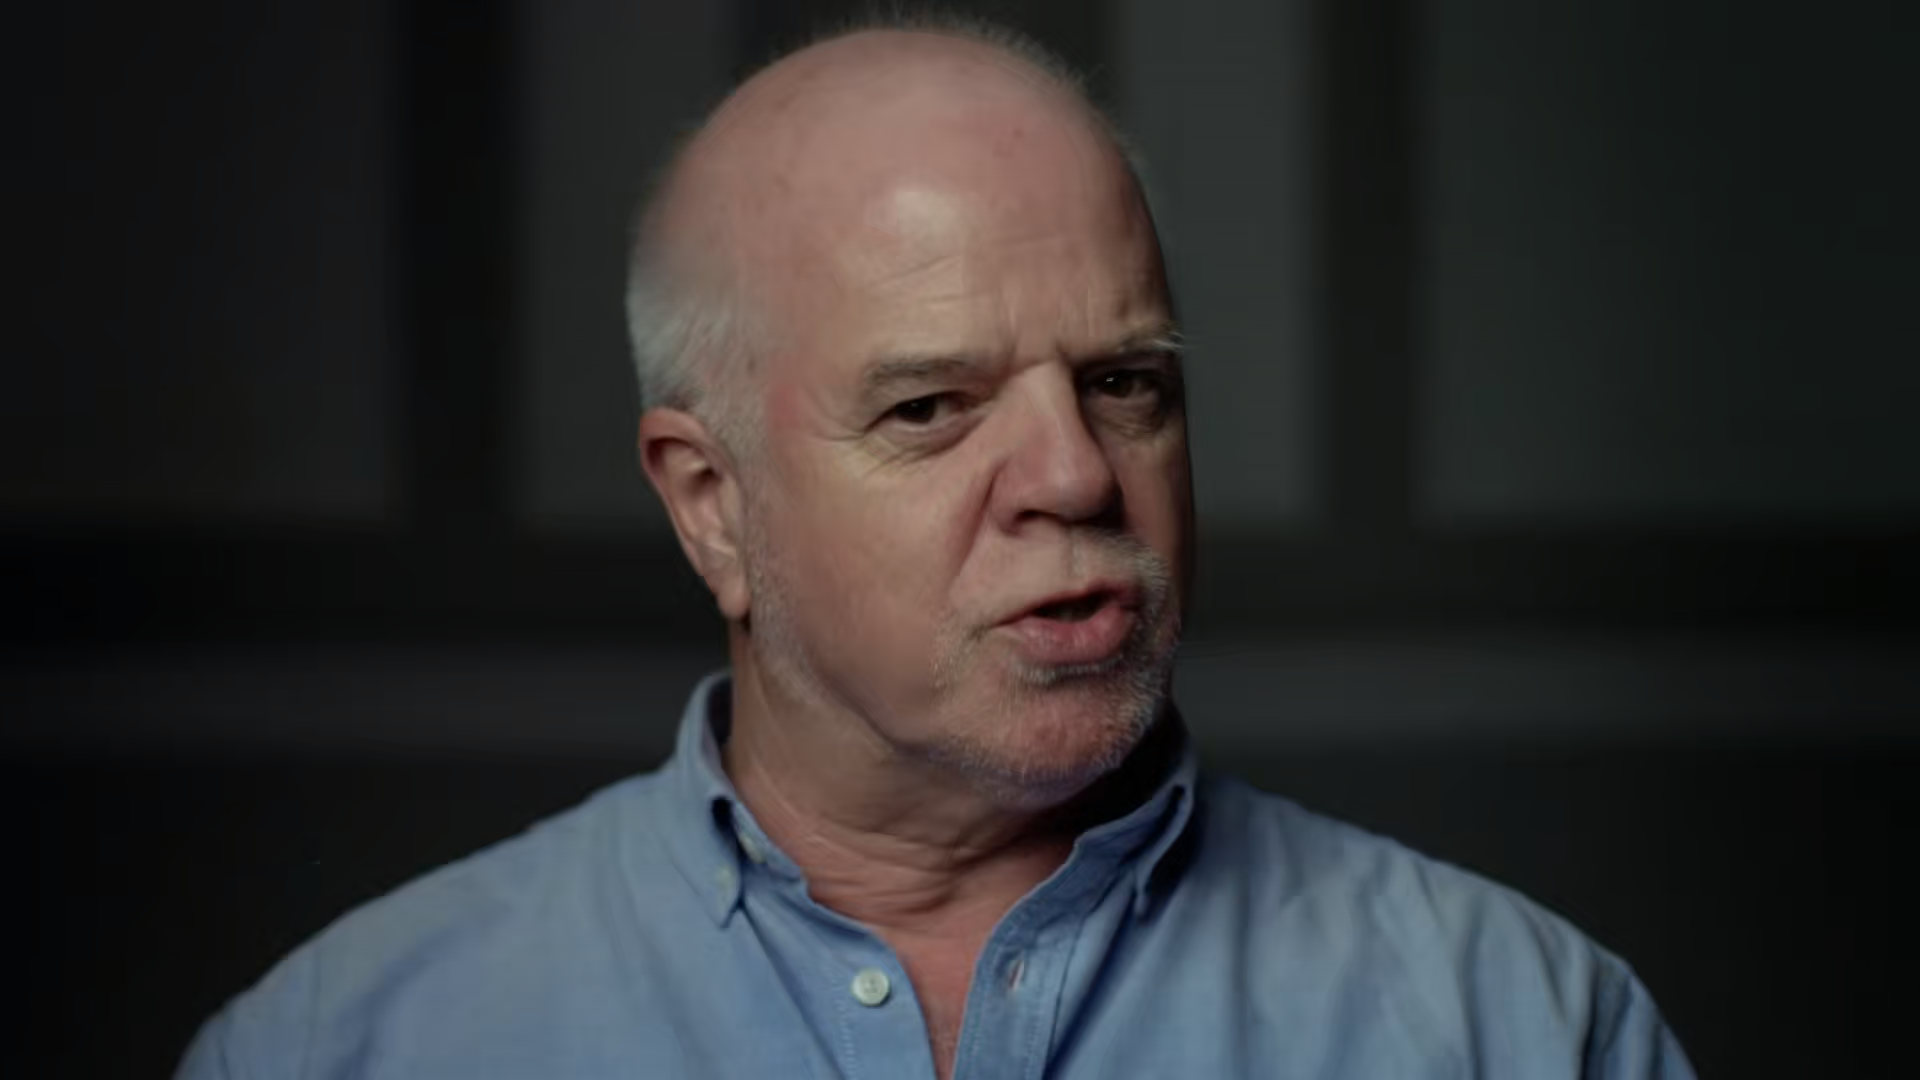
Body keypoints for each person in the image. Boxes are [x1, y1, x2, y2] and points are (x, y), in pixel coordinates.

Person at [177, 13, 1695, 1080]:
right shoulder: (345, 1048)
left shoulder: (1518, 1027)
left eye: (1125, 383)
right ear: (712, 506)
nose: (1075, 474)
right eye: (929, 408)